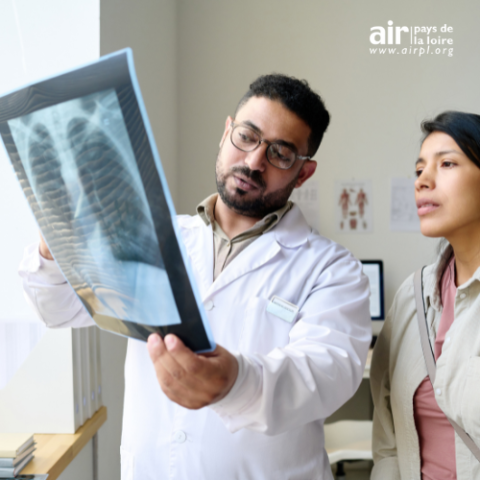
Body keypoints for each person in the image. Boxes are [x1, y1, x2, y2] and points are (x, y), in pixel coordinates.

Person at [20, 74, 371, 480]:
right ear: (226, 134)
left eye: (280, 154)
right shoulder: (153, 238)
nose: (254, 161)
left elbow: (325, 374)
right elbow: (59, 308)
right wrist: (54, 243)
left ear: (303, 173)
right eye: (247, 136)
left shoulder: (332, 269)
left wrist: (237, 382)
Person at [371, 111, 480, 479]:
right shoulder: (412, 296)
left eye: (447, 163)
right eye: (418, 171)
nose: (422, 182)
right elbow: (388, 441)